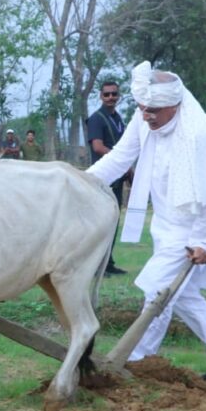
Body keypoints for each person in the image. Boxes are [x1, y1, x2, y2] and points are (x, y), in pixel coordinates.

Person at [87, 61, 206, 380]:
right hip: (165, 221)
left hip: (195, 225)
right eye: (142, 108)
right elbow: (120, 158)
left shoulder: (197, 134)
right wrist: (81, 182)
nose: (146, 115)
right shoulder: (145, 115)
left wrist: (204, 241)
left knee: (158, 289)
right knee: (181, 293)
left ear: (174, 105)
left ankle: (134, 360)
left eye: (153, 111)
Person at [87, 80, 130, 276]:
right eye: (107, 94)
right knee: (102, 221)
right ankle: (96, 265)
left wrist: (126, 167)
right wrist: (120, 161)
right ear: (101, 96)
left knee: (114, 219)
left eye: (114, 94)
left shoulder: (119, 119)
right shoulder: (96, 118)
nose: (111, 97)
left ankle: (108, 262)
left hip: (118, 177)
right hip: (103, 177)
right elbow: (97, 146)